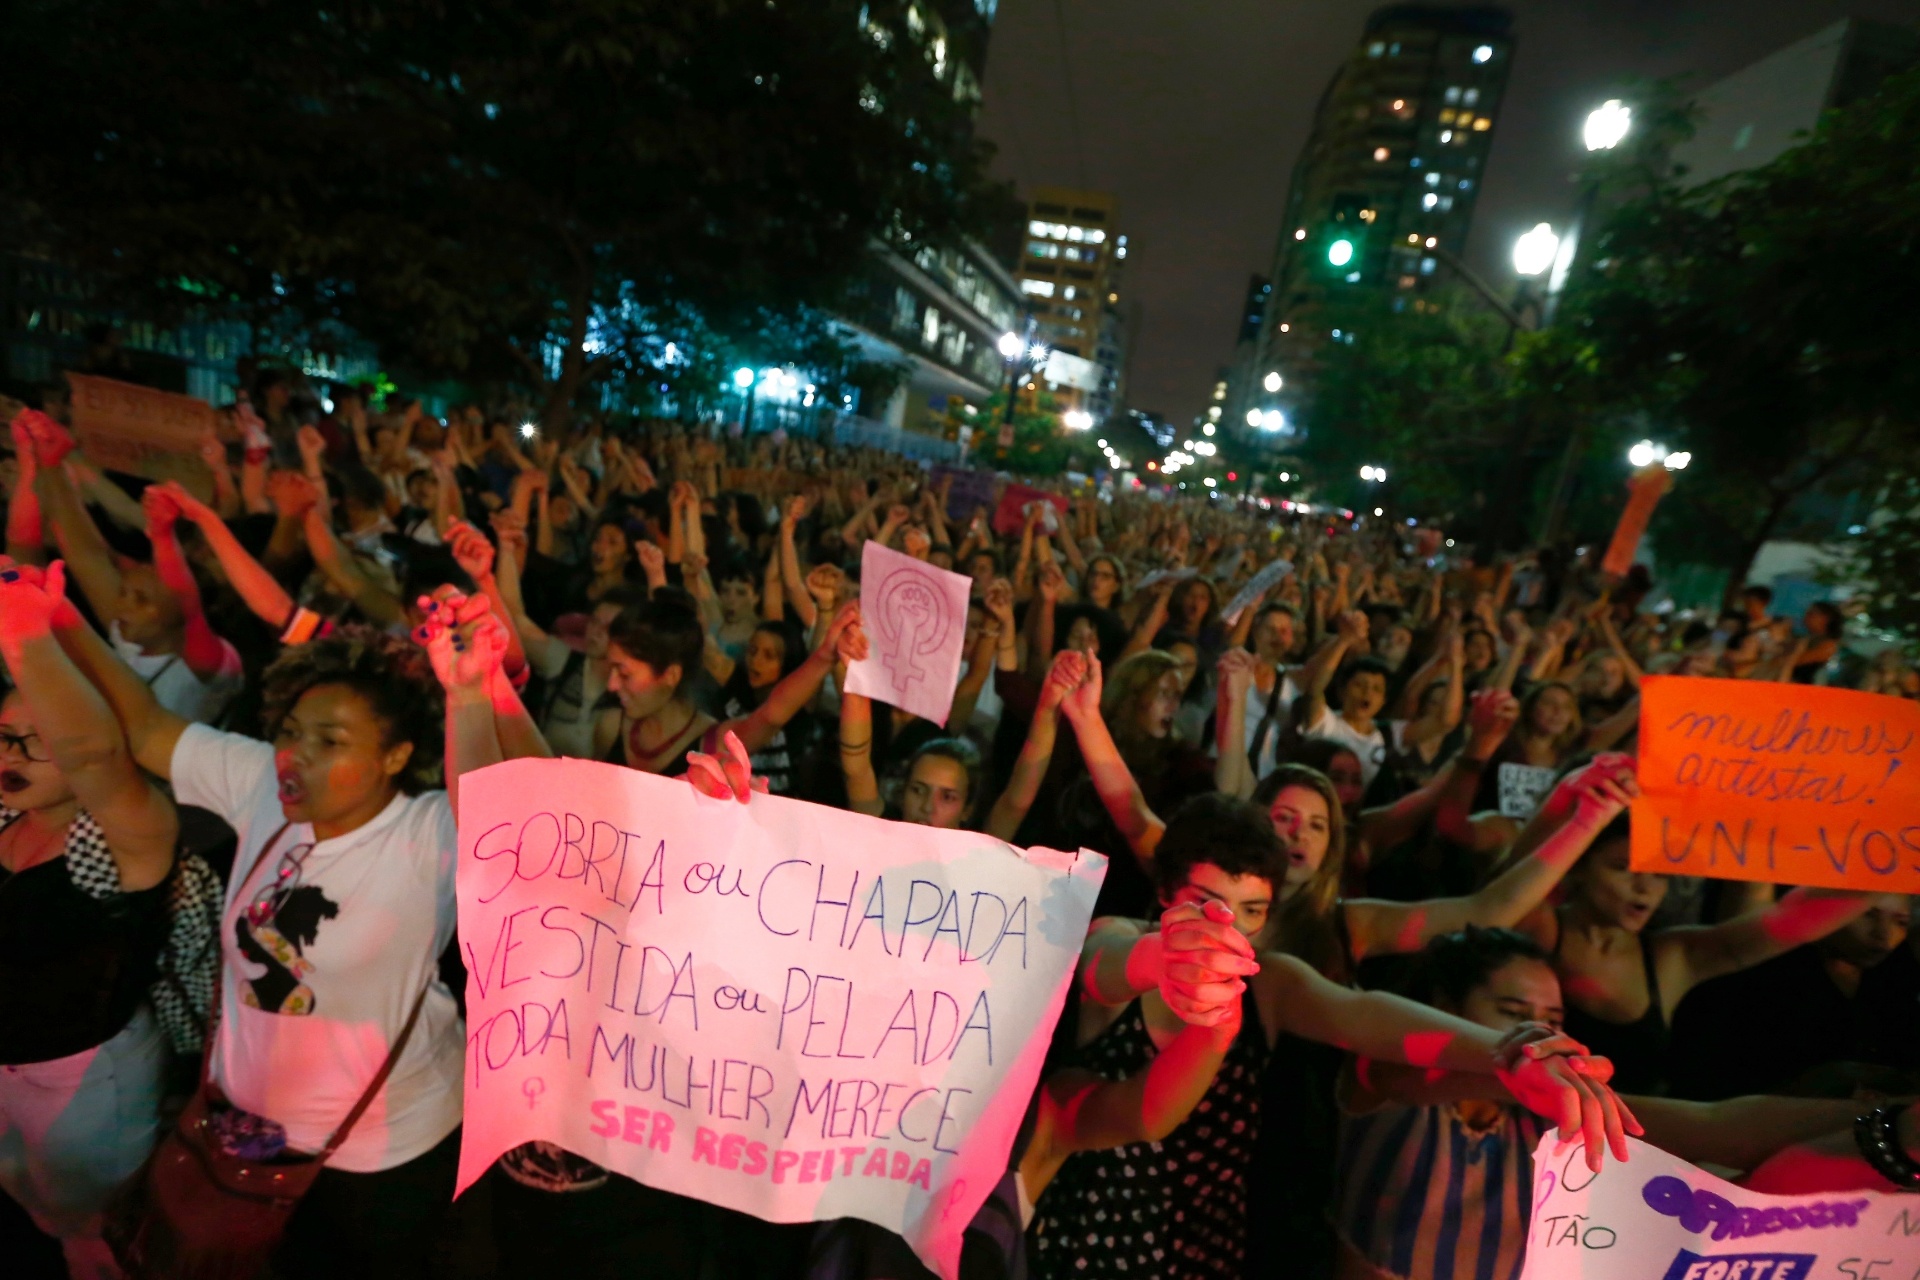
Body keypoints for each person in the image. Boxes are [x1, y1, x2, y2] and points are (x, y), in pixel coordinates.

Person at [1030, 793, 1636, 1280]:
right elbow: (1104, 968)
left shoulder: (1269, 985)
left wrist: (1508, 1051)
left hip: (1204, 1245)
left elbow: (1365, 1015)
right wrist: (1161, 958)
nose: (1228, 928)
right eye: (1205, 903)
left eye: (1251, 910)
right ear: (1164, 894)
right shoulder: (1121, 934)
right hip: (1084, 1227)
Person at [49, 595, 480, 1279]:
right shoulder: (259, 785)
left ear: (396, 755)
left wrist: (471, 692)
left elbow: (496, 802)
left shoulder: (430, 832)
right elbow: (148, 726)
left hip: (376, 1157)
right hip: (243, 1135)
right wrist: (57, 619)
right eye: (291, 730)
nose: (295, 755)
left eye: (330, 741)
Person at [1333, 926, 1881, 1280]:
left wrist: (1890, 1124)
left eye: (1553, 1020)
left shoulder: (1551, 1125)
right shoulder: (1392, 1085)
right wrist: (1512, 1062)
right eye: (1513, 1009)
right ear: (1445, 1007)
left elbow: (1719, 1126)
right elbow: (1396, 1073)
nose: (1537, 1030)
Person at [0, 559, 178, 1280]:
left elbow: (98, 756)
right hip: (10, 1066)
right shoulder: (7, 811)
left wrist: (27, 638)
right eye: (4, 734)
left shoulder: (122, 843)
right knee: (28, 1197)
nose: (11, 755)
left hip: (81, 1082)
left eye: (37, 738)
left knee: (91, 1229)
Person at [1514, 812, 1876, 1092]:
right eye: (1623, 869)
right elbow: (1499, 887)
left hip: (1621, 1150)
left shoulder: (1670, 956)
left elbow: (1789, 921)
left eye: (1660, 875)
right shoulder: (1538, 927)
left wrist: (1889, 864)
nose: (1645, 888)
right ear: (1577, 869)